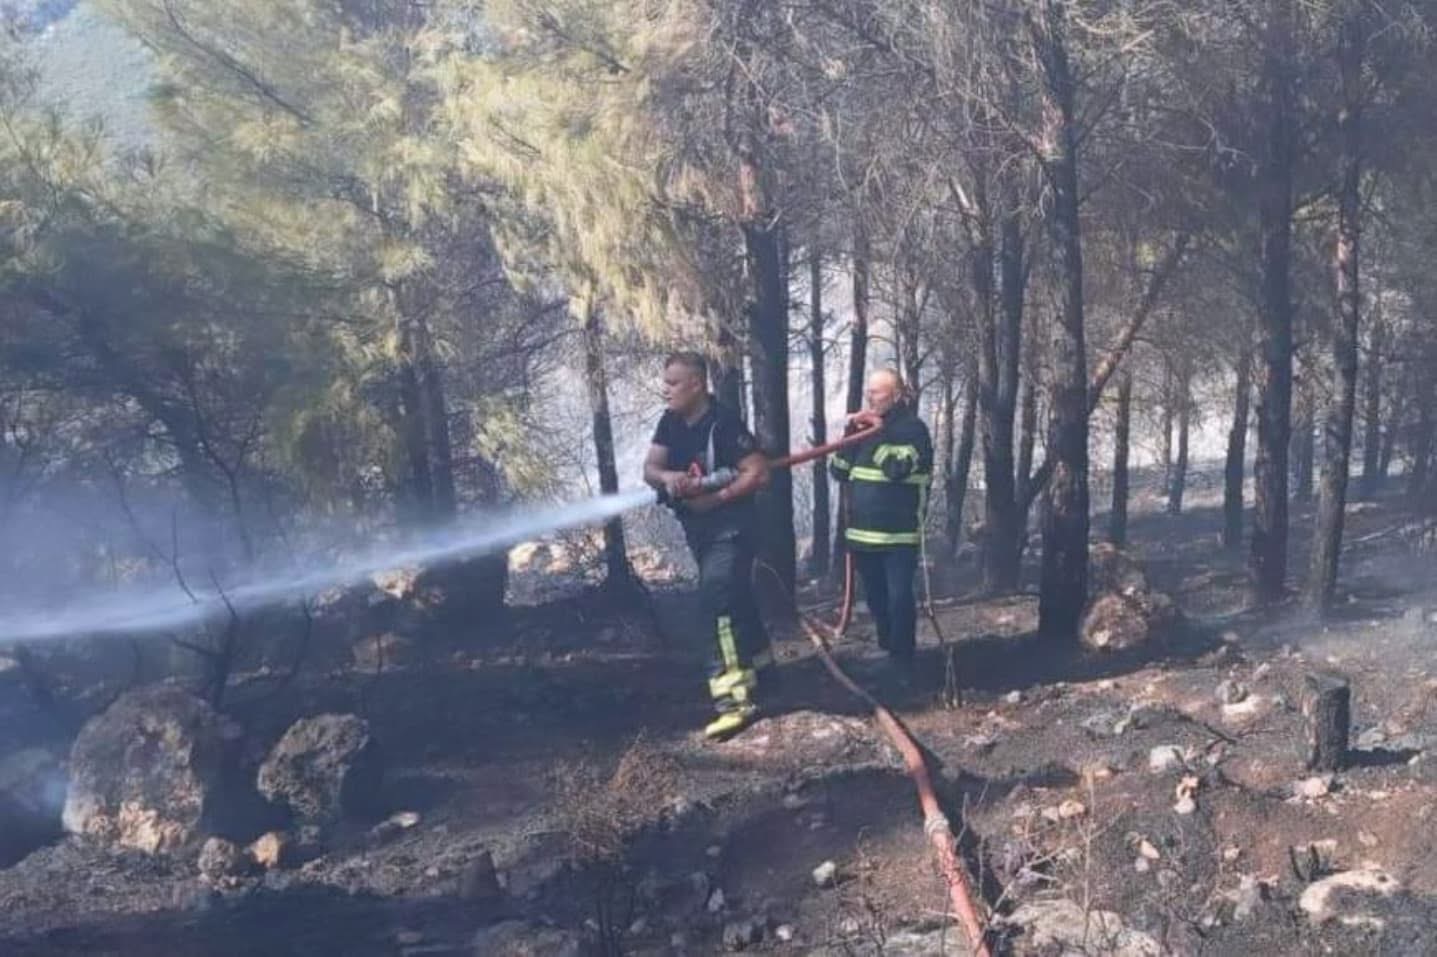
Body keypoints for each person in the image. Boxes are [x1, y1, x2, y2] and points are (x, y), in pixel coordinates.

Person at [644, 352, 774, 740]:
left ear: (697, 385)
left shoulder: (724, 423)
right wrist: (671, 478)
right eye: (665, 382)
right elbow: (649, 469)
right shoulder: (670, 422)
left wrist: (714, 499)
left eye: (673, 383)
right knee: (736, 599)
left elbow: (759, 472)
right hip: (699, 532)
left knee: (716, 603)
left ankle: (735, 702)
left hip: (732, 529)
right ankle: (765, 674)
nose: (665, 390)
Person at [830, 369, 934, 681]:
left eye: (877, 392)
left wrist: (877, 432)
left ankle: (903, 658)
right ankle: (886, 646)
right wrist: (850, 437)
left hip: (899, 534)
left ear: (898, 395)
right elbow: (838, 471)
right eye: (869, 391)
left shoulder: (913, 430)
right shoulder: (862, 431)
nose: (870, 398)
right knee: (876, 598)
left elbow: (896, 468)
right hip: (863, 535)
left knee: (899, 596)